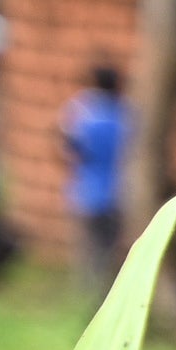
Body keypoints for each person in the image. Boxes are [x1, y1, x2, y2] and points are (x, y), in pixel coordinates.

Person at [57, 56, 127, 284]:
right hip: (118, 194)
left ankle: (90, 299)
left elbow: (66, 147)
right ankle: (107, 293)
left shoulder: (82, 111)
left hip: (86, 193)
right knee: (111, 252)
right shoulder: (126, 113)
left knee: (89, 253)